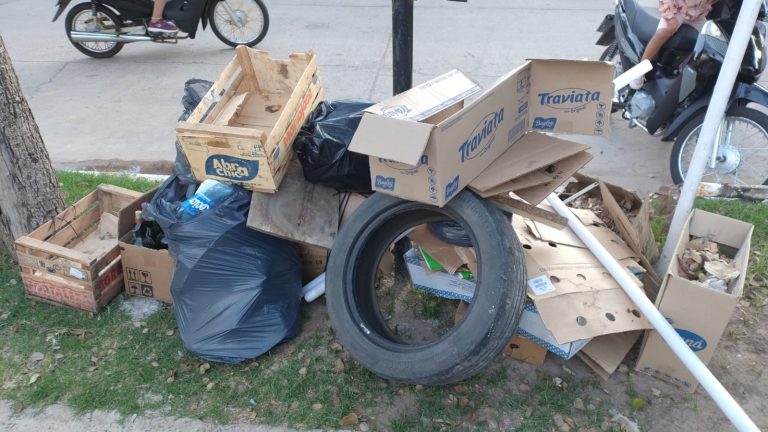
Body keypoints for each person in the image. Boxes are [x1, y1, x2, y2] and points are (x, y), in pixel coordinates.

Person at [630, 0, 718, 89]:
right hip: (676, 11)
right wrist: (670, 16)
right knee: (664, 32)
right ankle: (639, 71)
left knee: (712, 39)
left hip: (697, 16)